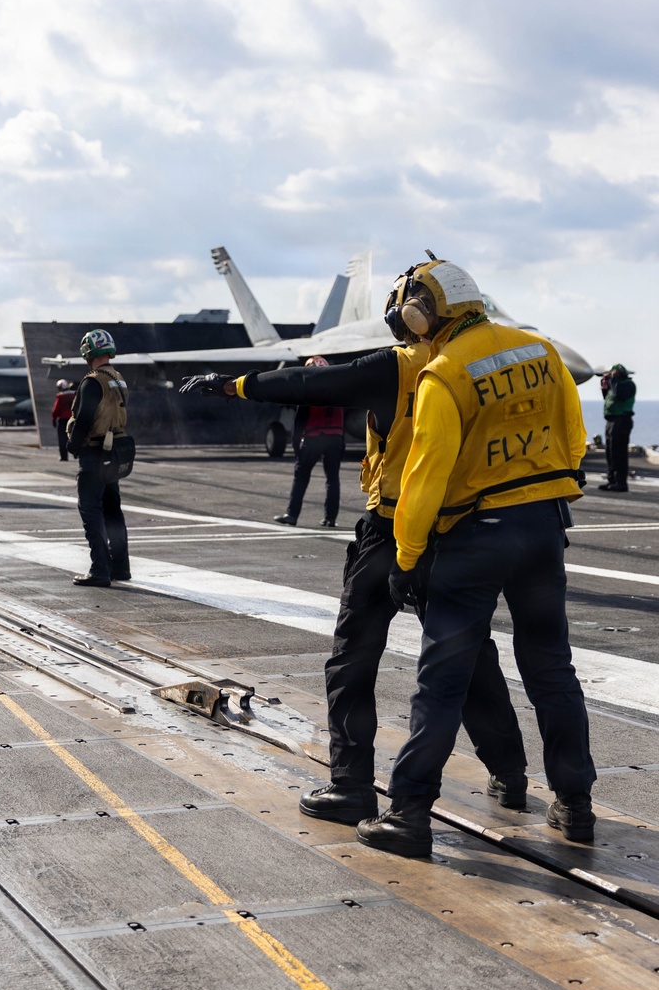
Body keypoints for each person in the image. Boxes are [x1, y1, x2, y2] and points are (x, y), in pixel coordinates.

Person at [179, 279, 528, 825]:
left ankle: (352, 786)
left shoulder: (401, 366)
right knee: (472, 658)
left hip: (390, 533)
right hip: (458, 534)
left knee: (353, 661)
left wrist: (234, 386)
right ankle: (510, 773)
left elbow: (301, 384)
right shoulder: (475, 369)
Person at [356, 257, 594, 858]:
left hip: (474, 538)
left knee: (442, 683)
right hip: (543, 530)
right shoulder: (540, 351)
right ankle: (576, 805)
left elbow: (424, 478)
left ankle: (409, 815)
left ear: (420, 313)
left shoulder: (444, 374)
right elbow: (573, 439)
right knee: (552, 672)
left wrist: (408, 559)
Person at [66, 330, 131, 588]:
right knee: (113, 511)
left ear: (87, 352)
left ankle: (100, 570)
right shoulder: (118, 378)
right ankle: (121, 568)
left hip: (94, 453)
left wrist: (73, 444)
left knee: (91, 511)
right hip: (114, 452)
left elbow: (84, 418)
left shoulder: (92, 381)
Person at [274, 356, 345, 527]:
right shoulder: (339, 388)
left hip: (314, 437)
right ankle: (331, 518)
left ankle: (292, 515)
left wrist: (296, 443)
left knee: (301, 476)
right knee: (333, 479)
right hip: (336, 437)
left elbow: (301, 417)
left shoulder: (309, 387)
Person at [599, 363, 635, 493]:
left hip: (621, 420)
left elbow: (619, 394)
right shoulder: (615, 384)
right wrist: (604, 385)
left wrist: (613, 380)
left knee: (619, 452)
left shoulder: (628, 385)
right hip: (611, 420)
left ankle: (621, 482)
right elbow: (608, 398)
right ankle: (612, 480)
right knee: (610, 452)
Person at [51, 379, 76, 461]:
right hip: (74, 419)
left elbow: (56, 409)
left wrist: (54, 419)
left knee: (62, 439)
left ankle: (64, 457)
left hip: (63, 421)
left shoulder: (60, 396)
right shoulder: (74, 394)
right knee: (75, 437)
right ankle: (77, 454)